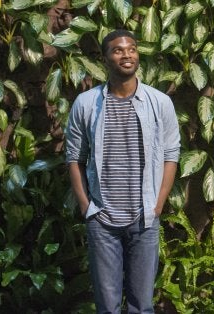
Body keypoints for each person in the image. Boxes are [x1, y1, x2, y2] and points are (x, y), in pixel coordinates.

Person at [65, 29, 180, 313]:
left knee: (142, 305)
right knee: (107, 306)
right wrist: (86, 206)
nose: (126, 54)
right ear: (105, 58)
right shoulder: (87, 104)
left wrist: (158, 204)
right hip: (102, 219)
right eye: (118, 50)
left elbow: (171, 155)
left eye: (131, 49)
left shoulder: (160, 103)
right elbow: (74, 158)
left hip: (144, 217)